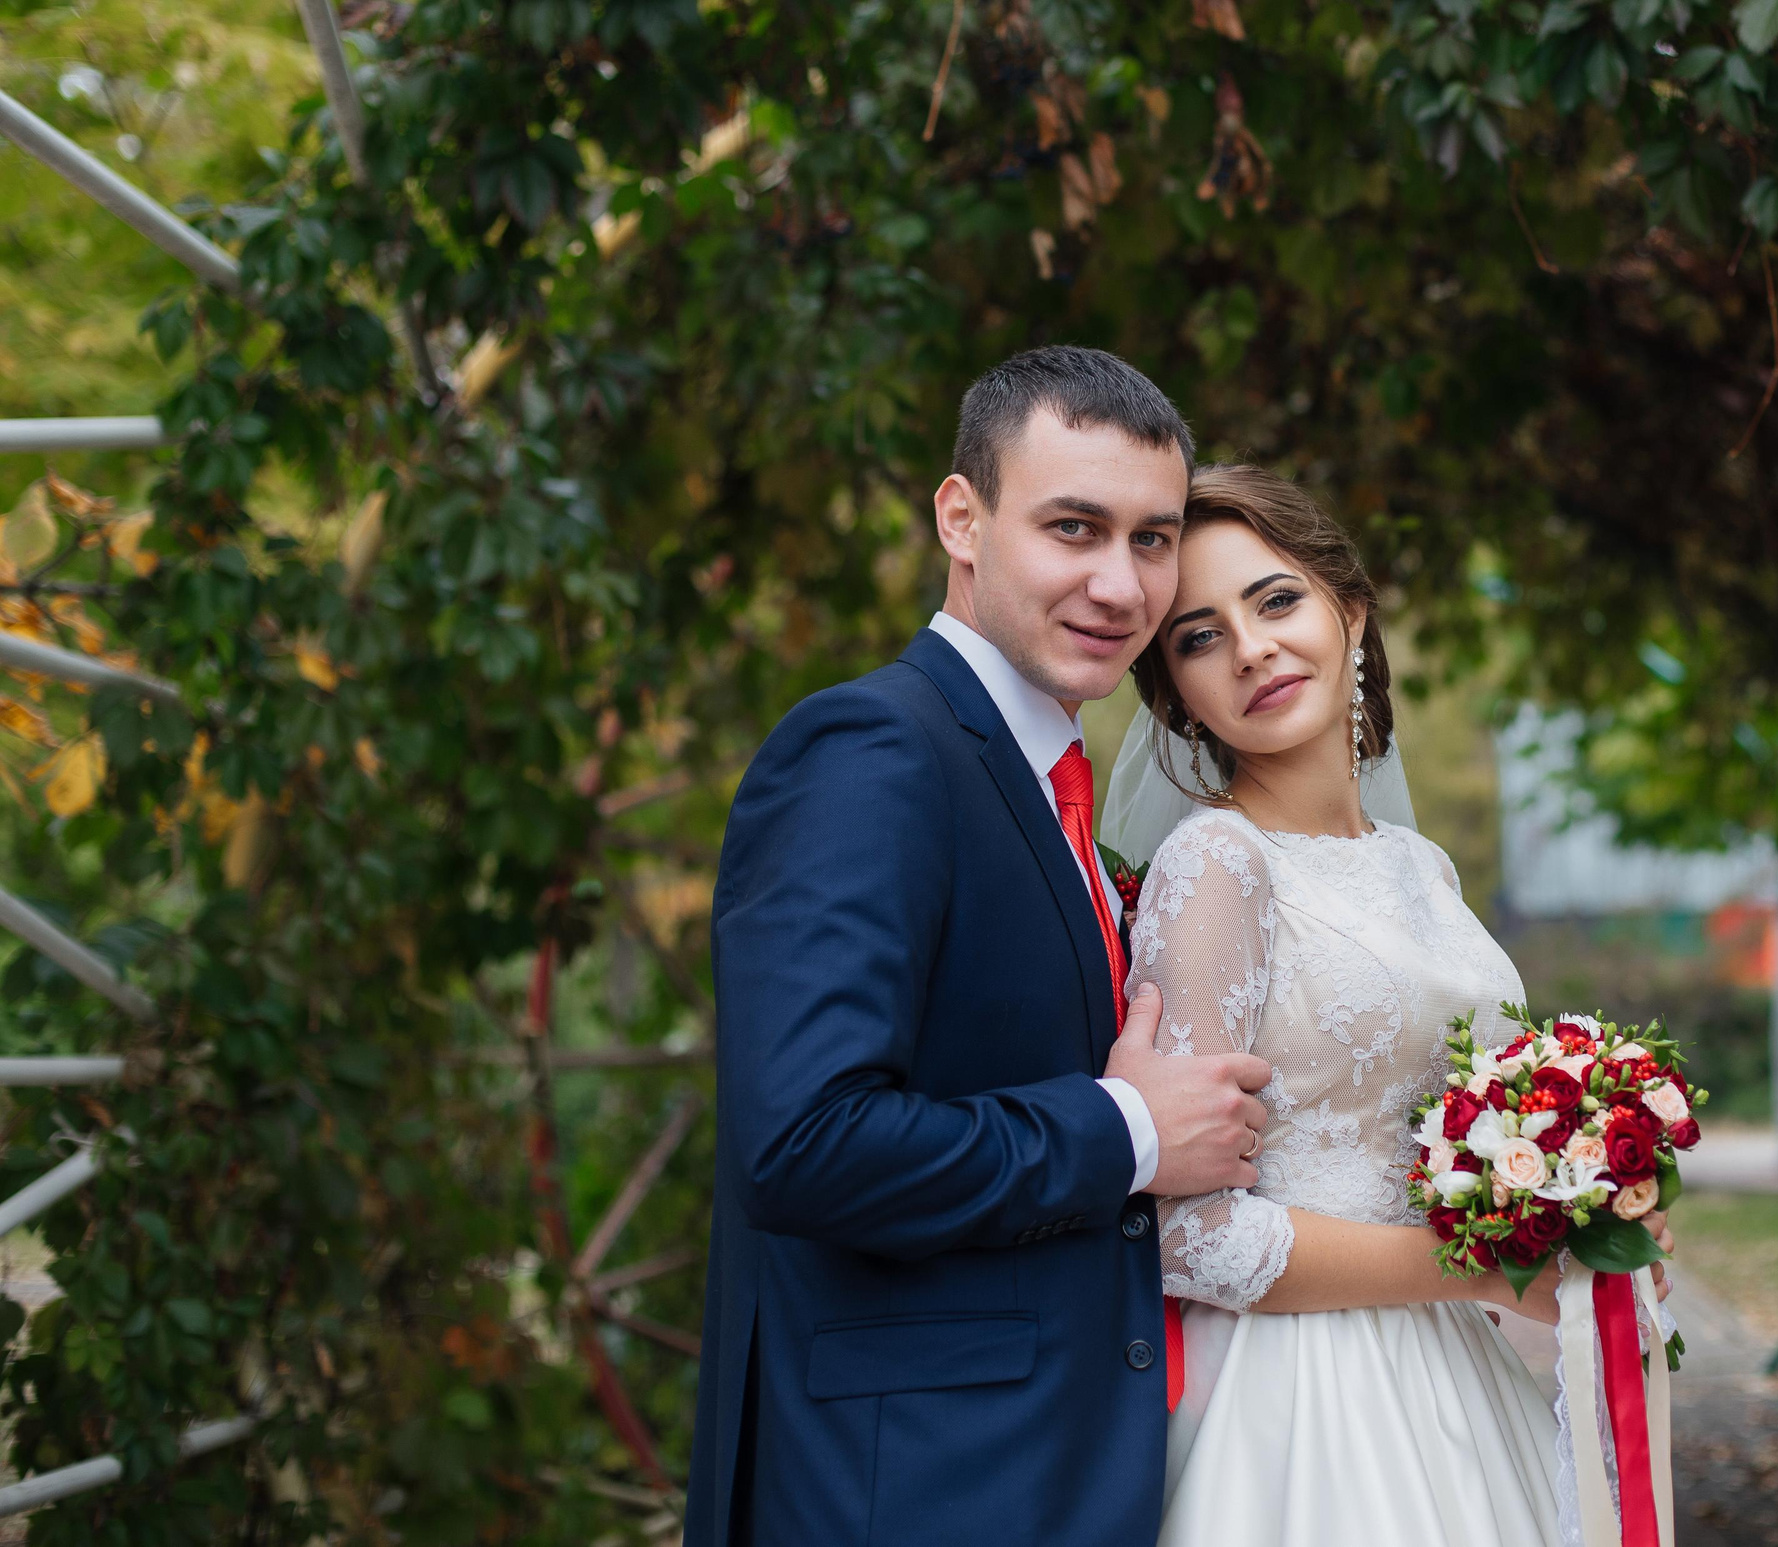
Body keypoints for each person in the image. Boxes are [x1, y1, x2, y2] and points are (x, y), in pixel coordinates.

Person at [685, 348, 1276, 1545]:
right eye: (1074, 527)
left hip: (1052, 1471)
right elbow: (803, 1145)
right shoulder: (871, 750)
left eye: (1152, 540)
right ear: (962, 517)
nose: (1121, 585)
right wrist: (1134, 1130)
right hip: (908, 1491)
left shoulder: (1047, 781)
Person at [1102, 465, 1672, 1547]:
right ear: (1176, 695)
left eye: (1275, 601)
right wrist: (1487, 1265)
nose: (1253, 648)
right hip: (1299, 1403)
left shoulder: (1424, 868)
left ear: (1349, 612)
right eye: (1198, 636)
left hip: (1452, 1372)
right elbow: (1185, 1236)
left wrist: (1585, 1203)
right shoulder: (1217, 864)